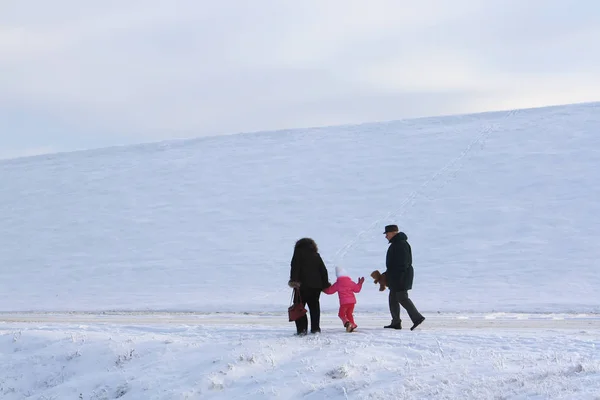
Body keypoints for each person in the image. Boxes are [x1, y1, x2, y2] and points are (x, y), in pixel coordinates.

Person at [382, 224, 425, 331]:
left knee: (402, 297)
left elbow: (403, 263)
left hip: (401, 277)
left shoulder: (400, 244)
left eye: (387, 234)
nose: (386, 236)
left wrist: (397, 277)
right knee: (393, 298)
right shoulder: (396, 244)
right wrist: (387, 275)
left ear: (392, 233)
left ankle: (417, 318)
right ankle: (396, 322)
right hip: (396, 277)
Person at [288, 238, 332, 335]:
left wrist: (294, 281)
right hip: (316, 287)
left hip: (301, 286)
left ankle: (302, 330)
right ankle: (315, 329)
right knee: (314, 307)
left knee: (299, 307)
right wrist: (325, 284)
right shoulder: (316, 255)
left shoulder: (298, 253)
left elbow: (295, 267)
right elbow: (323, 270)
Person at [323, 266, 364, 332]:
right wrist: (360, 283)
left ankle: (347, 324)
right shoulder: (350, 282)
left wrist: (323, 289)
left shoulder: (338, 284)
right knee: (349, 314)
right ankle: (352, 325)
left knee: (341, 314)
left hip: (344, 303)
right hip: (352, 302)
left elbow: (330, 291)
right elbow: (357, 289)